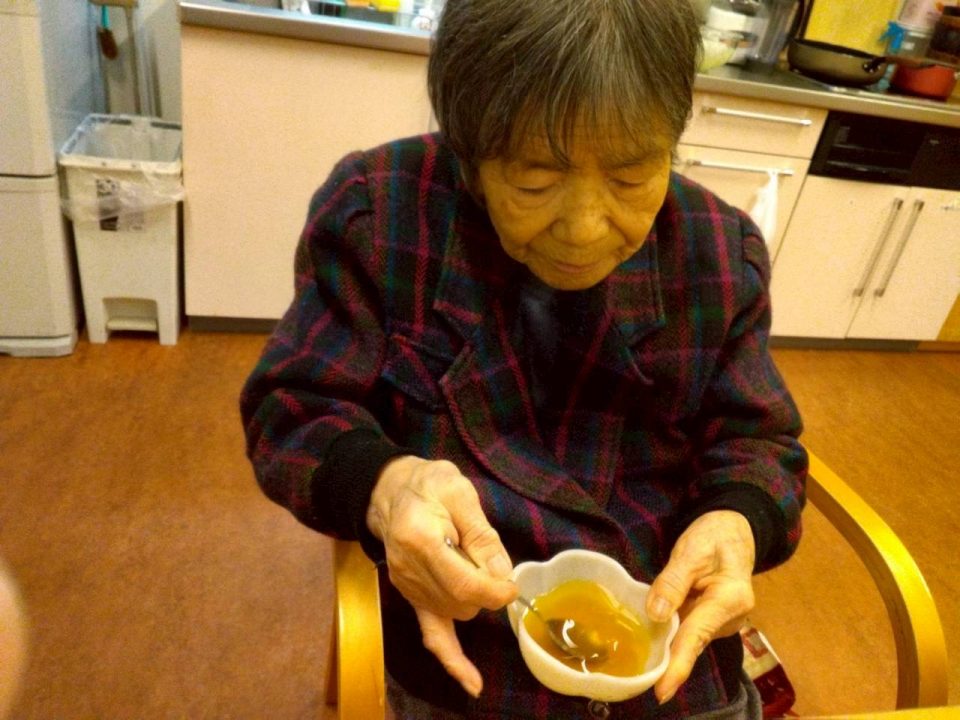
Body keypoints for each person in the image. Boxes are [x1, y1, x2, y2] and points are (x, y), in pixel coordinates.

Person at [240, 0, 807, 716]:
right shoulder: (381, 213)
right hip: (464, 637)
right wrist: (383, 487)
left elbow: (758, 440)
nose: (585, 228)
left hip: (666, 648)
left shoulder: (718, 251)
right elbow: (293, 406)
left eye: (632, 177)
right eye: (535, 183)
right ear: (469, 154)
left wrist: (739, 519)